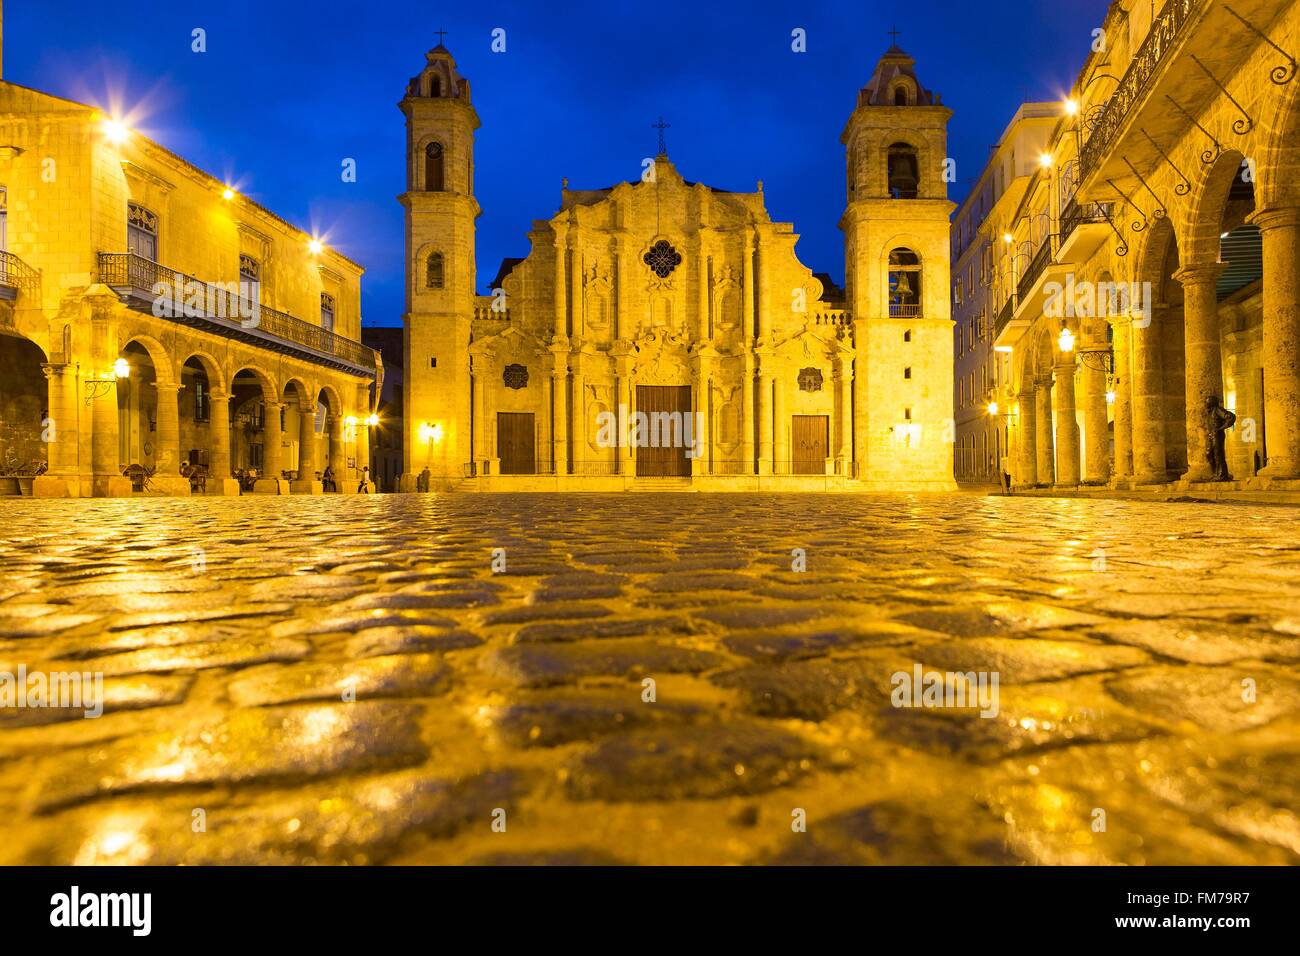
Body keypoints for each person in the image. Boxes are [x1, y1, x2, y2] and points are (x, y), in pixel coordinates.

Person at [1205, 395, 1236, 481]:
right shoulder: (1210, 412)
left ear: (1212, 402)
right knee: (1209, 454)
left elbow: (1231, 417)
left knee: (1218, 454)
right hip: (1211, 435)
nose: (1206, 404)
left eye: (1207, 402)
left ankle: (1222, 475)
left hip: (1217, 435)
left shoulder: (1218, 410)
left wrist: (1222, 428)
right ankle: (1215, 473)